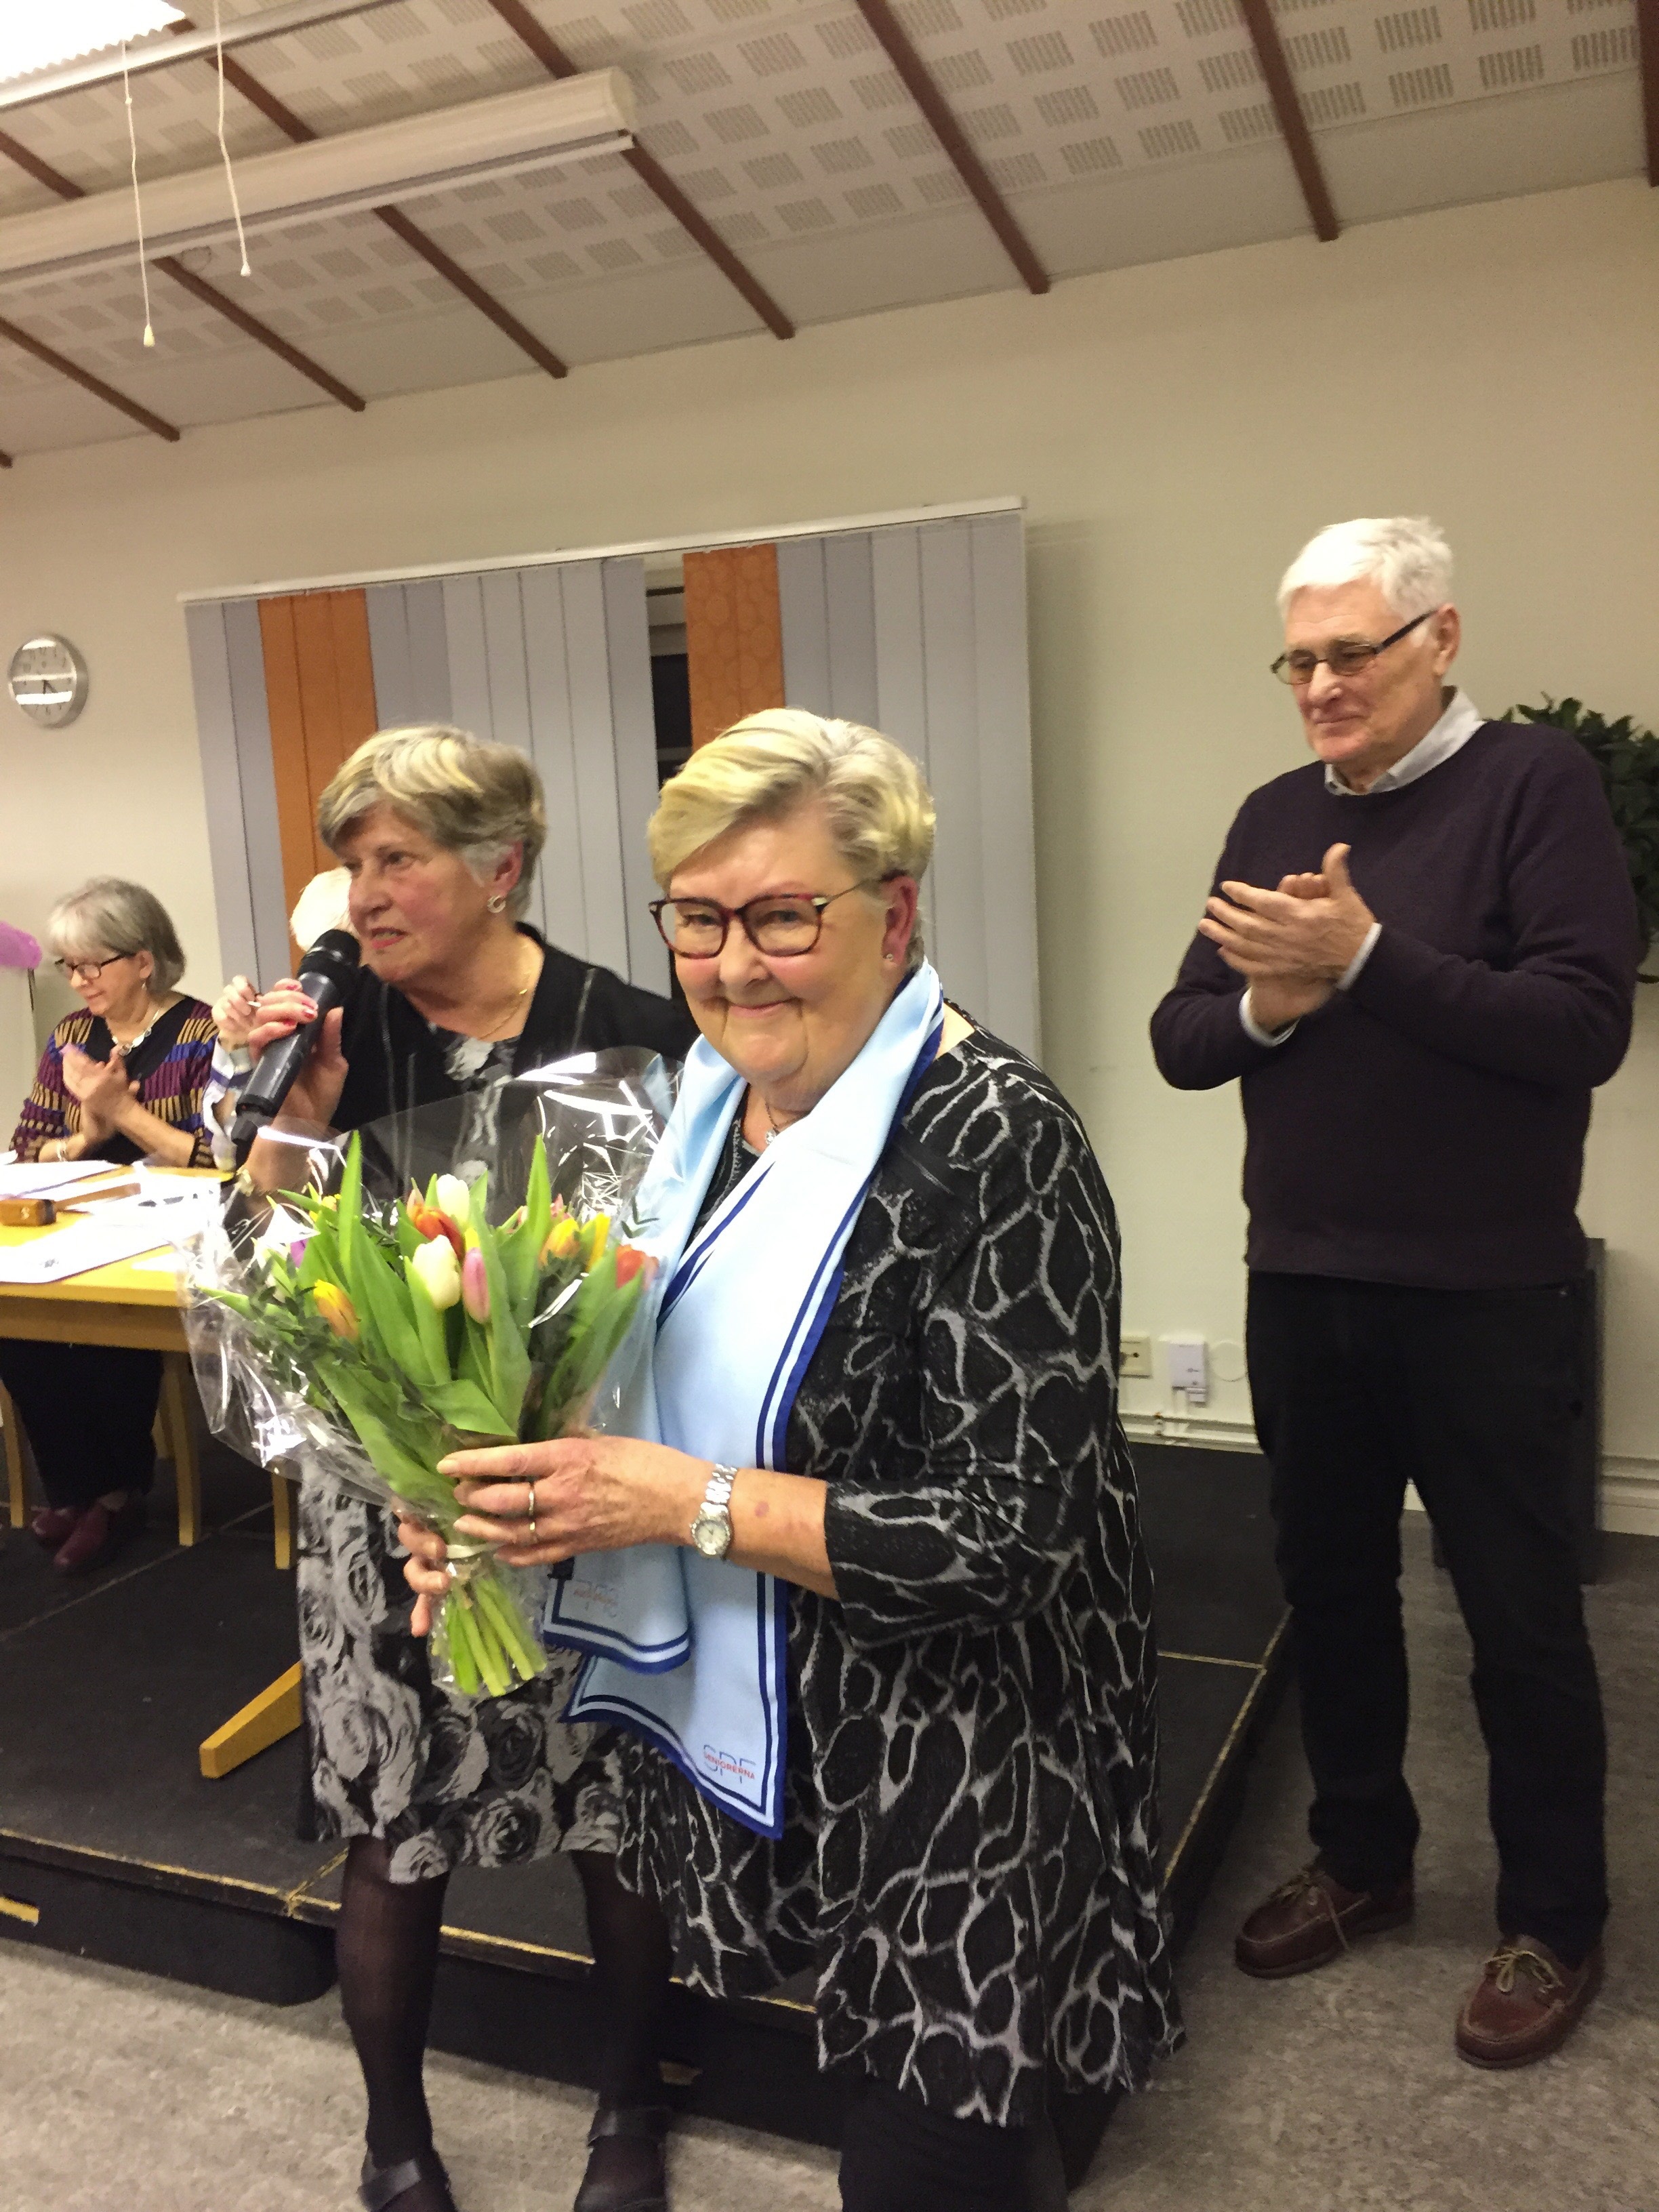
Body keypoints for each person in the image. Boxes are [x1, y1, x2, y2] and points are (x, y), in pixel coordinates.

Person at [400, 710, 1181, 2212]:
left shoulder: (996, 1140)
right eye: (697, 917)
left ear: (895, 914)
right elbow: (623, 1380)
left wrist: (677, 1501)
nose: (734, 963)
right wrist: (495, 1497)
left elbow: (1013, 1534)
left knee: (926, 2164)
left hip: (963, 1752)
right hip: (775, 1691)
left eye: (781, 916)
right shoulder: (701, 1112)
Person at [1149, 517, 1639, 2068]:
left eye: (1348, 652)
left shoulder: (1533, 787)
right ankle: (1362, 1858)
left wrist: (1365, 961)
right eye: (1296, 659)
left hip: (1484, 1293)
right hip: (1303, 1280)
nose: (1318, 685)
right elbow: (1180, 1037)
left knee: (1516, 1616)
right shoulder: (1271, 811)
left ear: (1439, 638)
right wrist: (1271, 1004)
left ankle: (1554, 1916)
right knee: (1333, 1593)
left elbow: (1578, 1025)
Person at [240, 727, 697, 2212]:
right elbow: (267, 1263)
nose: (363, 894)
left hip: (577, 1489)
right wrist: (293, 1125)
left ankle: (629, 2105)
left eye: (397, 859)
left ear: (500, 869)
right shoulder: (339, 1031)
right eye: (351, 863)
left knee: (613, 1812)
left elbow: (674, 1266)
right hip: (386, 1498)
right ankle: (395, 2137)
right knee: (395, 1823)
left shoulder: (628, 1025)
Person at [1, 878, 216, 1574]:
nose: (79, 981)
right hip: (78, 1218)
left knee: (106, 1338)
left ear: (144, 960)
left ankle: (118, 1495)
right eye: (69, 966)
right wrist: (84, 1138)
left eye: (93, 964)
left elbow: (219, 1159)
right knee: (23, 1327)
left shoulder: (201, 1033)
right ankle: (74, 1489)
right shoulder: (71, 1037)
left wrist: (124, 1113)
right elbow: (27, 1144)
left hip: (169, 1227)